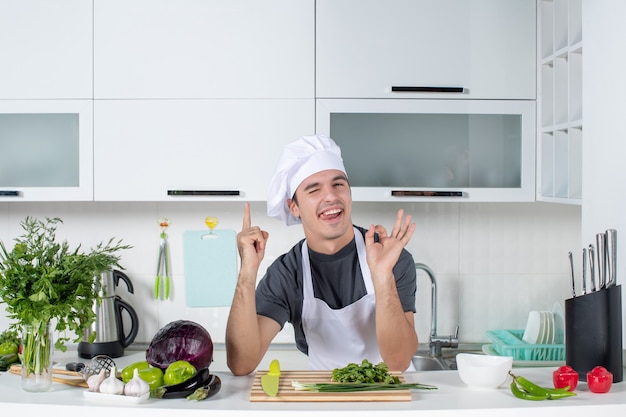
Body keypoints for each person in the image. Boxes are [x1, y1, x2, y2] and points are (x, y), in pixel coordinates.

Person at [225, 134, 418, 376]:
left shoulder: (390, 256)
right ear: (293, 207)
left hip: (391, 399)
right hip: (324, 399)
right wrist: (247, 271)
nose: (331, 197)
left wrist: (383, 276)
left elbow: (398, 362)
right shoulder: (288, 273)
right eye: (314, 190)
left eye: (338, 184)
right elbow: (242, 364)